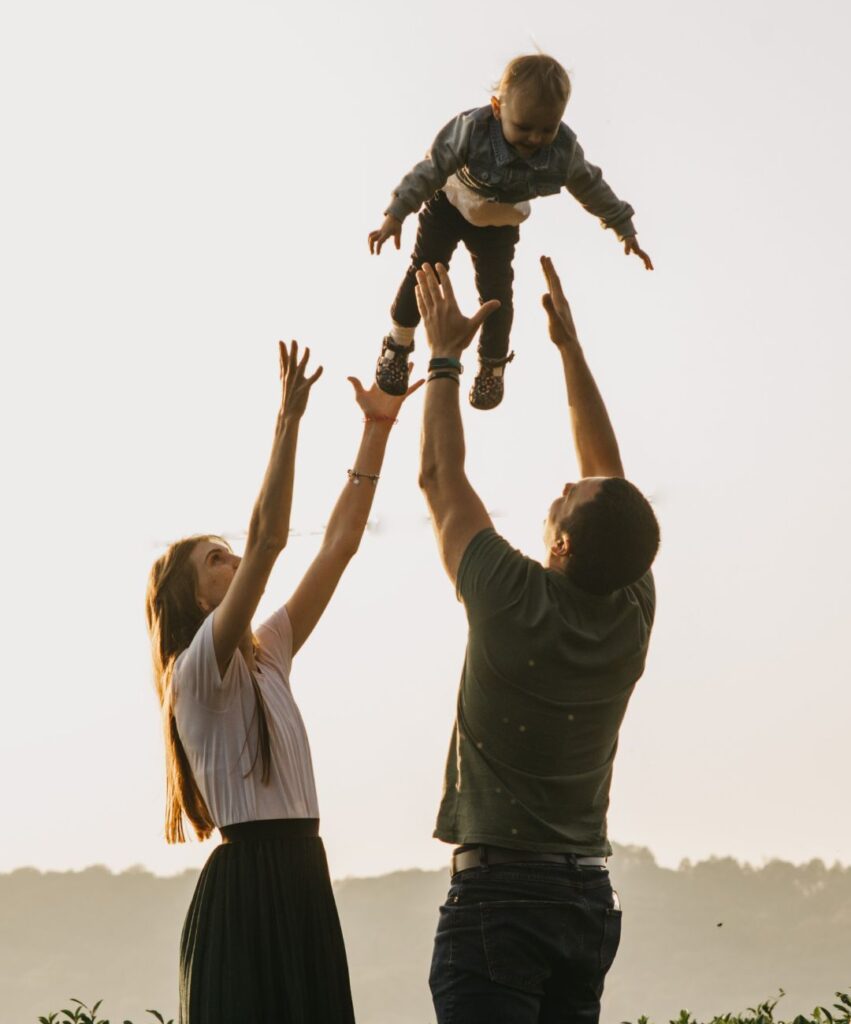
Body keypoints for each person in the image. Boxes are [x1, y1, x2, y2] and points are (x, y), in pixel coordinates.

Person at [144, 340, 420, 1024]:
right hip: (249, 889)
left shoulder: (266, 653)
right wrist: (288, 420)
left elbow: (340, 544)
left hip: (301, 873)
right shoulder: (197, 669)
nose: (236, 560)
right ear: (196, 599)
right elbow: (271, 539)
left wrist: (376, 428)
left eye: (230, 552)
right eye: (217, 560)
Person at [415, 259, 659, 1023]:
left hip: (500, 897)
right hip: (585, 897)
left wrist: (446, 357)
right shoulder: (630, 604)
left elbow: (437, 475)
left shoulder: (507, 595)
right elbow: (607, 479)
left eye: (564, 498)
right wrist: (568, 349)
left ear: (559, 547)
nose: (562, 486)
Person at [369, 53, 653, 411]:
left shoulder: (563, 153)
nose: (535, 138)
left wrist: (623, 227)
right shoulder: (472, 129)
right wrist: (396, 213)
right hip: (451, 202)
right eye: (524, 127)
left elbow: (592, 187)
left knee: (497, 294)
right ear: (497, 108)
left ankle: (492, 364)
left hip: (499, 222)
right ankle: (398, 341)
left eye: (546, 129)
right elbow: (432, 168)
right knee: (426, 268)